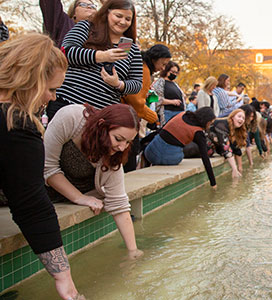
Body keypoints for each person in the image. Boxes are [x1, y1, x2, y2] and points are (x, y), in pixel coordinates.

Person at [0, 33, 81, 300]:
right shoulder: (16, 123)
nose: (51, 98)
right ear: (30, 80)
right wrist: (64, 279)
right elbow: (31, 205)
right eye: (51, 89)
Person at [44, 104, 143, 260]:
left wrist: (133, 251)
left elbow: (119, 203)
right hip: (42, 189)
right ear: (102, 125)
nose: (122, 148)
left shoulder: (113, 157)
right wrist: (79, 198)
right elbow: (47, 167)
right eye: (118, 139)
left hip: (69, 196)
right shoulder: (71, 118)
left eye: (128, 142)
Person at [47, 0, 142, 120]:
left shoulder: (128, 46)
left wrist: (118, 84)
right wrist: (101, 56)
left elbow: (137, 83)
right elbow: (66, 53)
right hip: (68, 102)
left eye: (128, 19)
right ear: (107, 13)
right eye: (118, 16)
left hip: (100, 115)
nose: (122, 22)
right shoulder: (87, 28)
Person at [145, 107, 232, 187]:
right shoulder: (198, 132)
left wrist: (143, 141)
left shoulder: (182, 114)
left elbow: (162, 130)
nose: (210, 126)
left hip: (149, 151)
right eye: (210, 123)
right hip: (168, 158)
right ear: (206, 121)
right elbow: (205, 158)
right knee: (182, 154)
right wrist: (213, 183)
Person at [122, 44, 170, 125]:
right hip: (125, 115)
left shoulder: (141, 66)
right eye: (163, 64)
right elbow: (136, 101)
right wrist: (153, 118)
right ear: (154, 59)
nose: (163, 68)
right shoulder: (144, 71)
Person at [208, 109, 247, 177]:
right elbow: (225, 148)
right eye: (239, 116)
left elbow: (236, 148)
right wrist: (234, 169)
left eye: (243, 118)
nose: (241, 119)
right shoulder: (222, 124)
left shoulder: (235, 129)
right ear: (232, 117)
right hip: (195, 147)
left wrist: (240, 168)